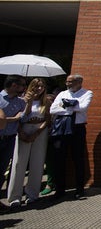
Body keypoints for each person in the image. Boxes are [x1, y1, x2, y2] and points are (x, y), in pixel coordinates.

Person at [49, 74, 93, 199]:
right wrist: (71, 108)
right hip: (61, 129)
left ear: (79, 82)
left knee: (78, 159)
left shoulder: (87, 93)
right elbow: (53, 109)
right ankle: (60, 189)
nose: (68, 84)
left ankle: (79, 189)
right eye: (67, 82)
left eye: (71, 82)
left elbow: (83, 107)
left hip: (77, 128)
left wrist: (65, 106)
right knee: (59, 159)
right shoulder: (62, 94)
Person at [9, 77, 49, 208]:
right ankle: (15, 196)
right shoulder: (21, 101)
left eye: (41, 86)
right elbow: (17, 118)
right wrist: (21, 132)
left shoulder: (46, 102)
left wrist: (37, 132)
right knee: (19, 164)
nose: (39, 88)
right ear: (30, 87)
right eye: (36, 86)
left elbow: (47, 119)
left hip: (39, 131)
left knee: (37, 163)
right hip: (23, 130)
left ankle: (32, 195)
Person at [0, 75, 26, 198]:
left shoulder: (20, 102)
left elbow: (24, 118)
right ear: (14, 85)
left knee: (2, 170)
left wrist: (29, 103)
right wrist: (14, 118)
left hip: (10, 138)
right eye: (22, 85)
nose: (24, 87)